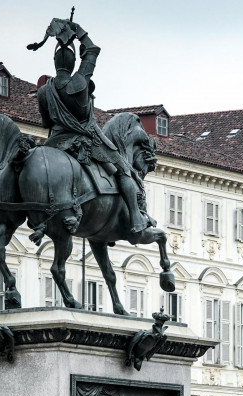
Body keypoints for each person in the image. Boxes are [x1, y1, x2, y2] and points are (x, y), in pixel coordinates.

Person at [30, 16, 152, 234]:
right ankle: (135, 217)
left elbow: (46, 122)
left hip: (55, 142)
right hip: (87, 139)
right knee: (124, 170)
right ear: (72, 62)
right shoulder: (79, 81)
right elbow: (93, 49)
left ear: (56, 63)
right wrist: (79, 32)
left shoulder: (44, 91)